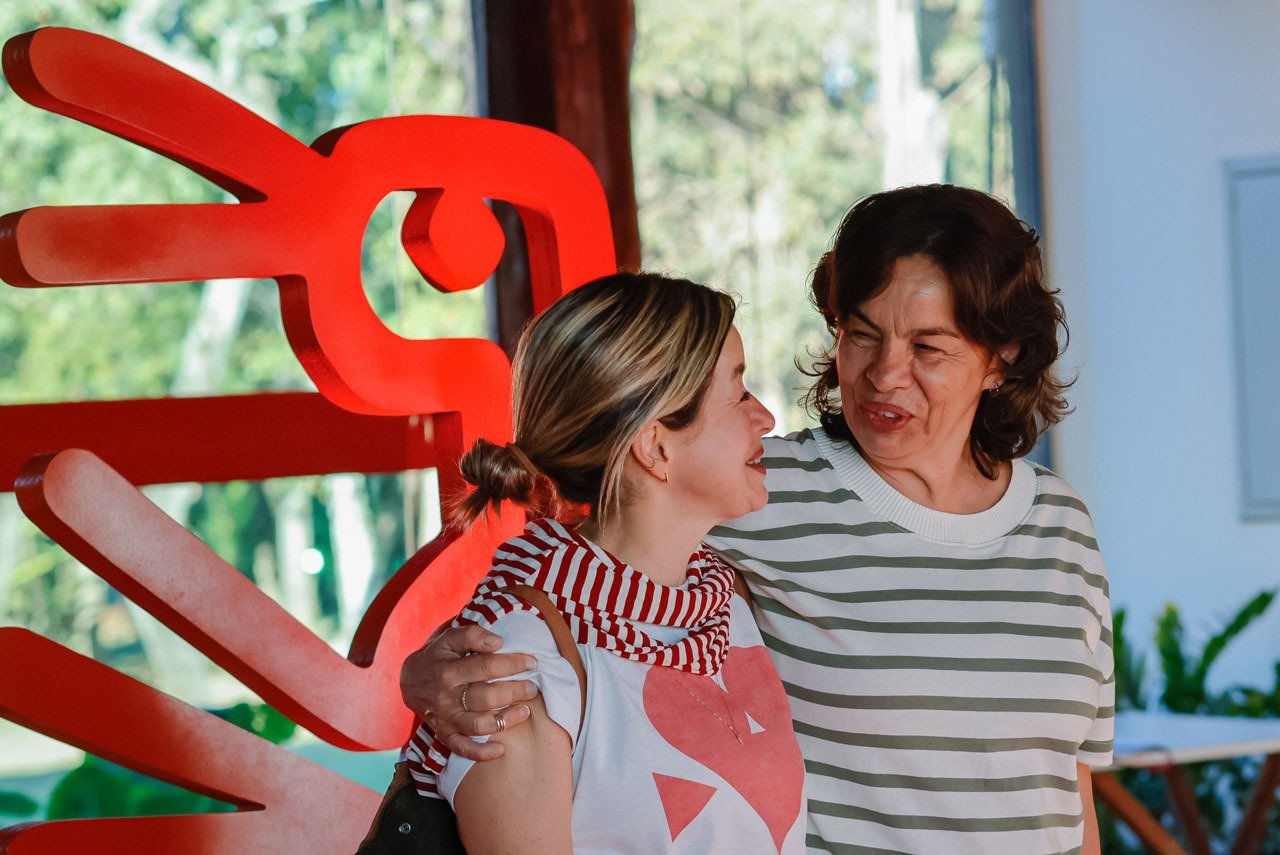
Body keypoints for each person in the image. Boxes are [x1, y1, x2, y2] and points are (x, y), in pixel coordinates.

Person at [406, 185, 1113, 855]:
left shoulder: (1063, 525)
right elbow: (582, 558)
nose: (885, 374)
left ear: (1002, 358)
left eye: (927, 348)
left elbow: (1069, 784)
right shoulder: (756, 487)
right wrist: (427, 677)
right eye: (861, 334)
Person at [399, 271, 807, 853]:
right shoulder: (514, 669)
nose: (764, 417)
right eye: (738, 392)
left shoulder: (726, 602)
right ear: (656, 447)